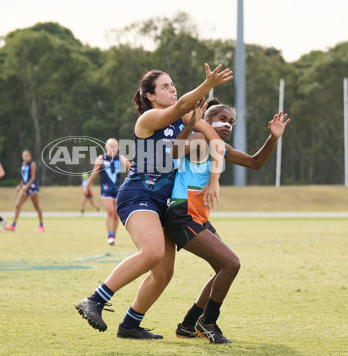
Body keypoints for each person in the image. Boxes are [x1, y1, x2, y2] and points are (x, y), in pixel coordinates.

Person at [75, 63, 233, 340]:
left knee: (163, 273)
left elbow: (215, 142)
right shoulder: (147, 120)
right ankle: (95, 300)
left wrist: (215, 178)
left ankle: (129, 325)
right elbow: (184, 105)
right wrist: (208, 85)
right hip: (138, 195)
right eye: (164, 86)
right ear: (149, 96)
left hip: (162, 204)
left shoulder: (183, 119)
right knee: (152, 253)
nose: (172, 89)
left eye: (173, 85)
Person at [166, 99, 289, 343]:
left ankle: (189, 324)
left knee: (223, 269)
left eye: (231, 122)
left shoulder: (219, 146)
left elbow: (255, 163)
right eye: (221, 120)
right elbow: (174, 152)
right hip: (181, 214)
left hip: (198, 217)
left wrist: (273, 138)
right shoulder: (200, 139)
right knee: (231, 264)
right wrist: (191, 125)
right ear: (207, 122)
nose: (227, 125)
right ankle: (208, 322)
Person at [83, 138, 131, 245]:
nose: (113, 149)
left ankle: (113, 235)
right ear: (106, 147)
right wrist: (87, 186)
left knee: (116, 213)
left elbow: (131, 168)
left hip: (117, 189)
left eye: (115, 146)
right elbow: (94, 173)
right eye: (111, 146)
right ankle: (110, 235)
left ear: (118, 148)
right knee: (110, 211)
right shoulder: (101, 158)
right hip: (106, 189)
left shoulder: (120, 158)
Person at [4, 150, 44, 232]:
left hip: (32, 187)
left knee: (36, 206)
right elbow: (24, 178)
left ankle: (41, 225)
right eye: (24, 156)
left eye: (26, 155)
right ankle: (13, 225)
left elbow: (33, 177)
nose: (25, 157)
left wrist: (27, 186)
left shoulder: (32, 164)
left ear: (30, 156)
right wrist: (20, 186)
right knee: (17, 205)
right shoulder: (24, 165)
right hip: (25, 186)